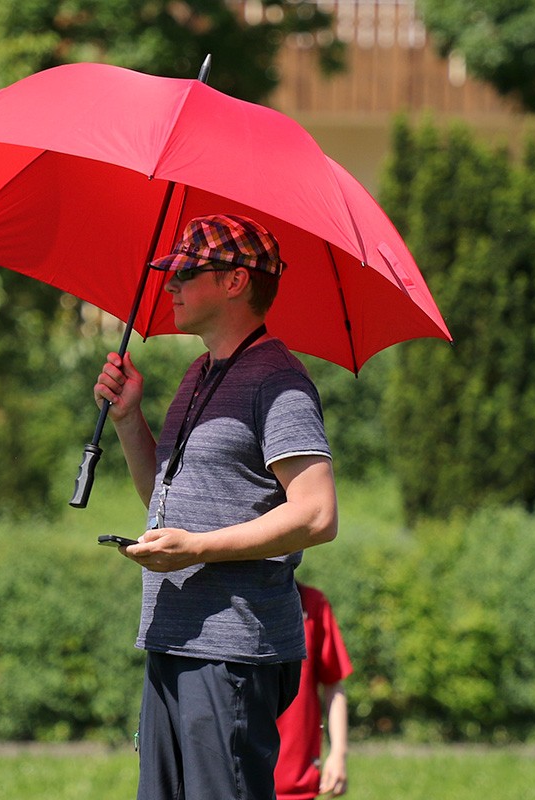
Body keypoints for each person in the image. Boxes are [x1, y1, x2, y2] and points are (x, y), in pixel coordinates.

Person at [93, 213, 339, 800]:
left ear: (235, 281)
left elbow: (317, 514)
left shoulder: (278, 381)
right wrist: (128, 419)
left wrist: (197, 549)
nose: (170, 284)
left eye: (186, 273)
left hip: (232, 647)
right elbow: (164, 498)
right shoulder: (198, 374)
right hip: (174, 635)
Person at [275, 582, 352, 800]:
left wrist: (338, 753)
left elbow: (333, 684)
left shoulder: (312, 603)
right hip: (237, 779)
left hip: (296, 779)